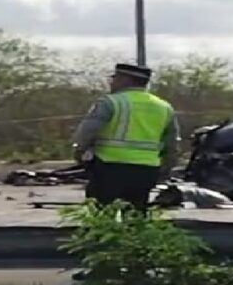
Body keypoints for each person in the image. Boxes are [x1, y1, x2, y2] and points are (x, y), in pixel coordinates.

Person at [71, 63, 179, 213]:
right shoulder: (164, 106)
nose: (112, 82)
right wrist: (166, 168)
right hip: (147, 170)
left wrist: (79, 151)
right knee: (136, 213)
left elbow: (88, 131)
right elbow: (171, 143)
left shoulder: (111, 102)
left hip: (110, 167)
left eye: (115, 78)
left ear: (126, 79)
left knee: (104, 215)